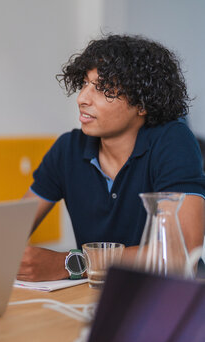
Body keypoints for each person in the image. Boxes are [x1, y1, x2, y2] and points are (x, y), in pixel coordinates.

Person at [18, 34, 205, 282]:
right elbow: (12, 233)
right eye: (85, 83)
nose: (83, 98)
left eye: (104, 88)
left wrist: (71, 264)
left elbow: (181, 255)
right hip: (95, 295)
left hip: (172, 297)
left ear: (142, 103)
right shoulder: (68, 148)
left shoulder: (172, 141)